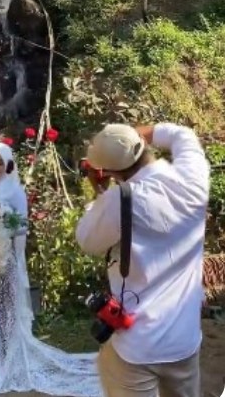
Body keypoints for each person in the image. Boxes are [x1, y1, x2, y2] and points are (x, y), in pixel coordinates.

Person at [0, 142, 101, 397]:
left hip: (5, 255)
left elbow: (23, 225)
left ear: (8, 163)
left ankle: (11, 357)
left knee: (7, 306)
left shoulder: (14, 190)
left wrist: (2, 225)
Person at [77, 123, 208, 397]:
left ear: (109, 172)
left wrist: (99, 195)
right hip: (184, 340)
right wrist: (136, 134)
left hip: (137, 345)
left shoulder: (117, 201)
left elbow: (87, 241)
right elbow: (182, 134)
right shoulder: (194, 177)